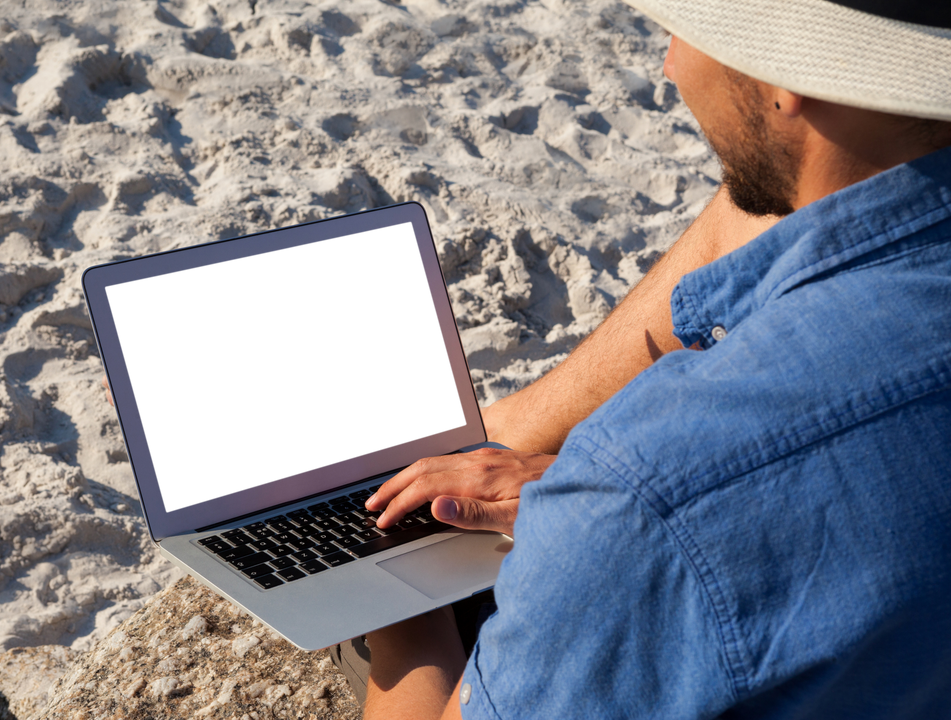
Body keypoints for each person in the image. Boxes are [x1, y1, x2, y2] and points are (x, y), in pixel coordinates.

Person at [356, 0, 951, 717]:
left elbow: (677, 497)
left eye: (687, 29)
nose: (669, 61)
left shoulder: (651, 490)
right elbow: (764, 201)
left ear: (786, 77)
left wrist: (391, 588)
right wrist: (526, 438)